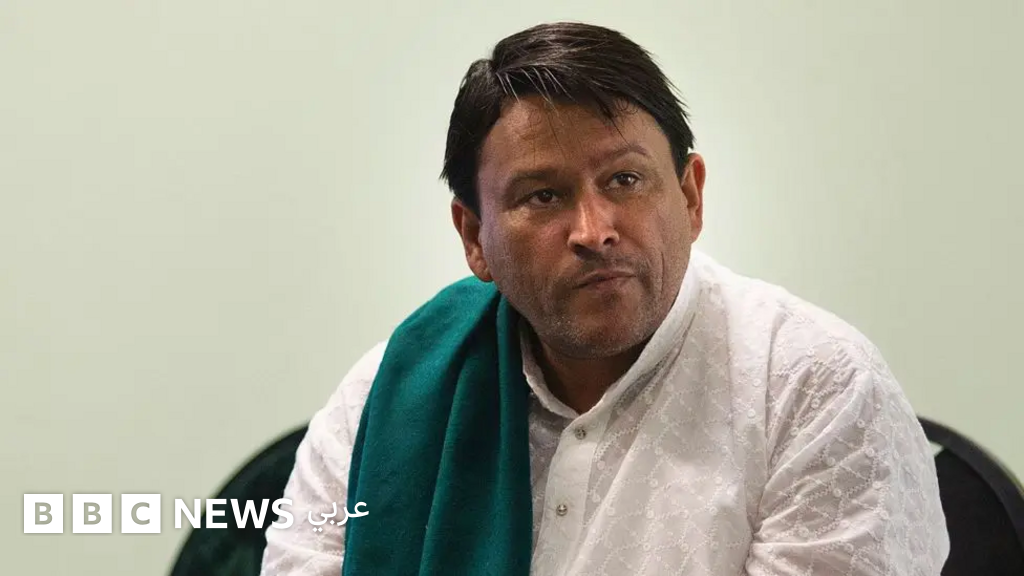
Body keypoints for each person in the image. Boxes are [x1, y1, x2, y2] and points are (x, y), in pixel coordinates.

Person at [260, 21, 949, 576]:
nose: (594, 231)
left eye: (624, 180)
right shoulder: (386, 395)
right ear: (474, 238)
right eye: (543, 196)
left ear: (690, 196)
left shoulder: (814, 387)